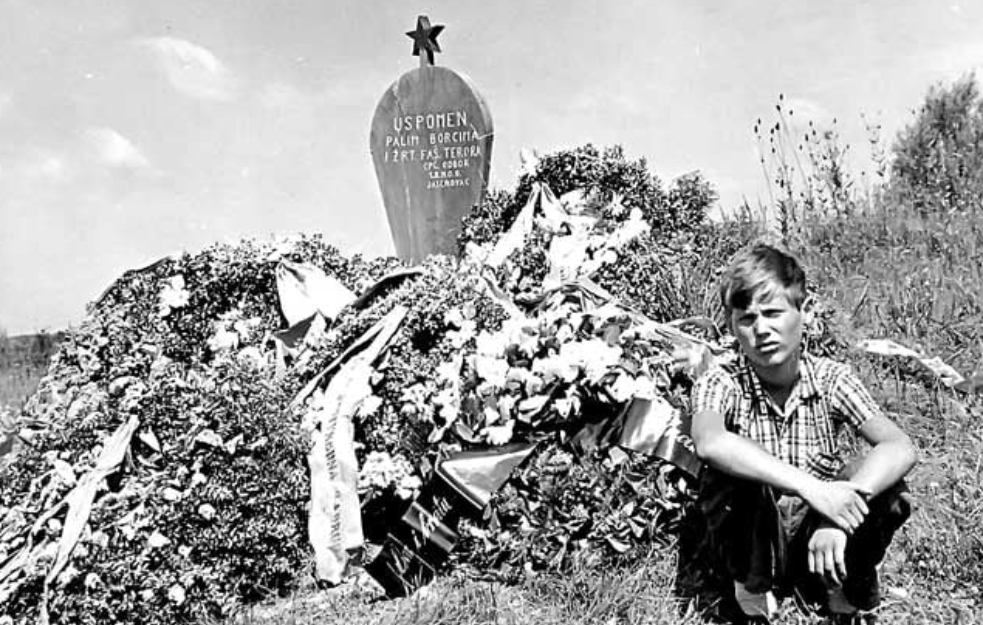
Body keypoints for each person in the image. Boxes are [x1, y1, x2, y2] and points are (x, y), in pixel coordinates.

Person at [690, 242, 917, 623]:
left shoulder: (832, 378)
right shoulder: (721, 381)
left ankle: (841, 588)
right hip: (758, 539)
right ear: (731, 325)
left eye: (774, 313)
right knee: (729, 475)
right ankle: (752, 589)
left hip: (821, 534)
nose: (761, 330)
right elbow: (709, 442)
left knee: (887, 489)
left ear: (804, 312)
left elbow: (899, 446)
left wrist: (837, 517)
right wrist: (811, 488)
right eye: (746, 319)